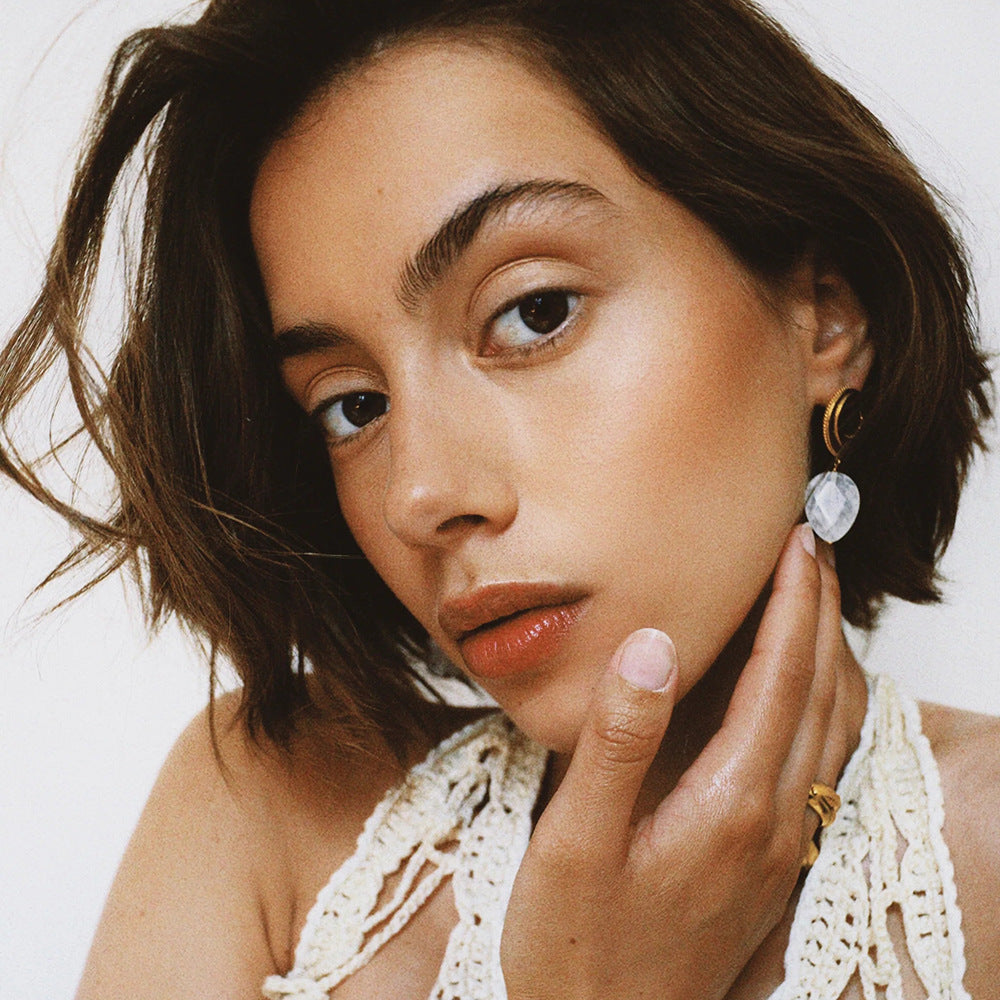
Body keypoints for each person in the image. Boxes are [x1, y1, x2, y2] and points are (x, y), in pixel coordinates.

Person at [0, 1, 997, 998]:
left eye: (534, 311)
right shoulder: (262, 812)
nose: (420, 495)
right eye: (352, 406)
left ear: (824, 318)